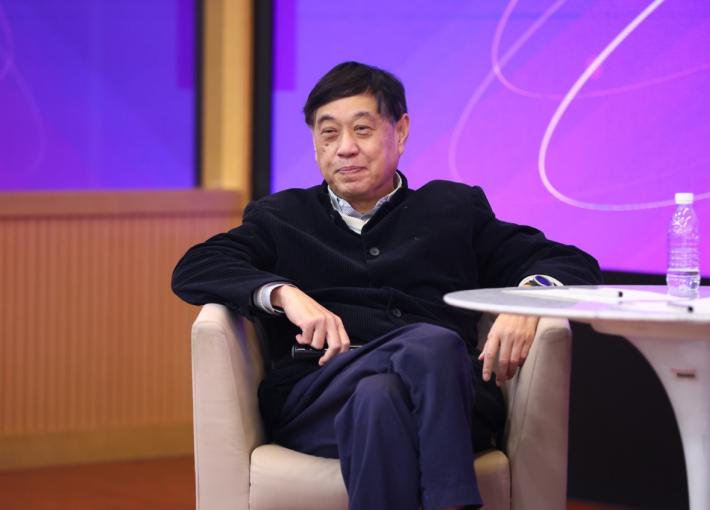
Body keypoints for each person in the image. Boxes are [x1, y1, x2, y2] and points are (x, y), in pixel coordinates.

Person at [172, 61, 601, 510]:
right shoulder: (282, 217)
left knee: (383, 395)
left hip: (447, 399)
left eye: (362, 129)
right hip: (321, 396)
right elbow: (196, 266)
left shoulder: (453, 210)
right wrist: (284, 294)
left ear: (401, 131)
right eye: (329, 134)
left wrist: (528, 301)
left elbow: (572, 262)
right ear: (315, 144)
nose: (345, 148)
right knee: (431, 343)